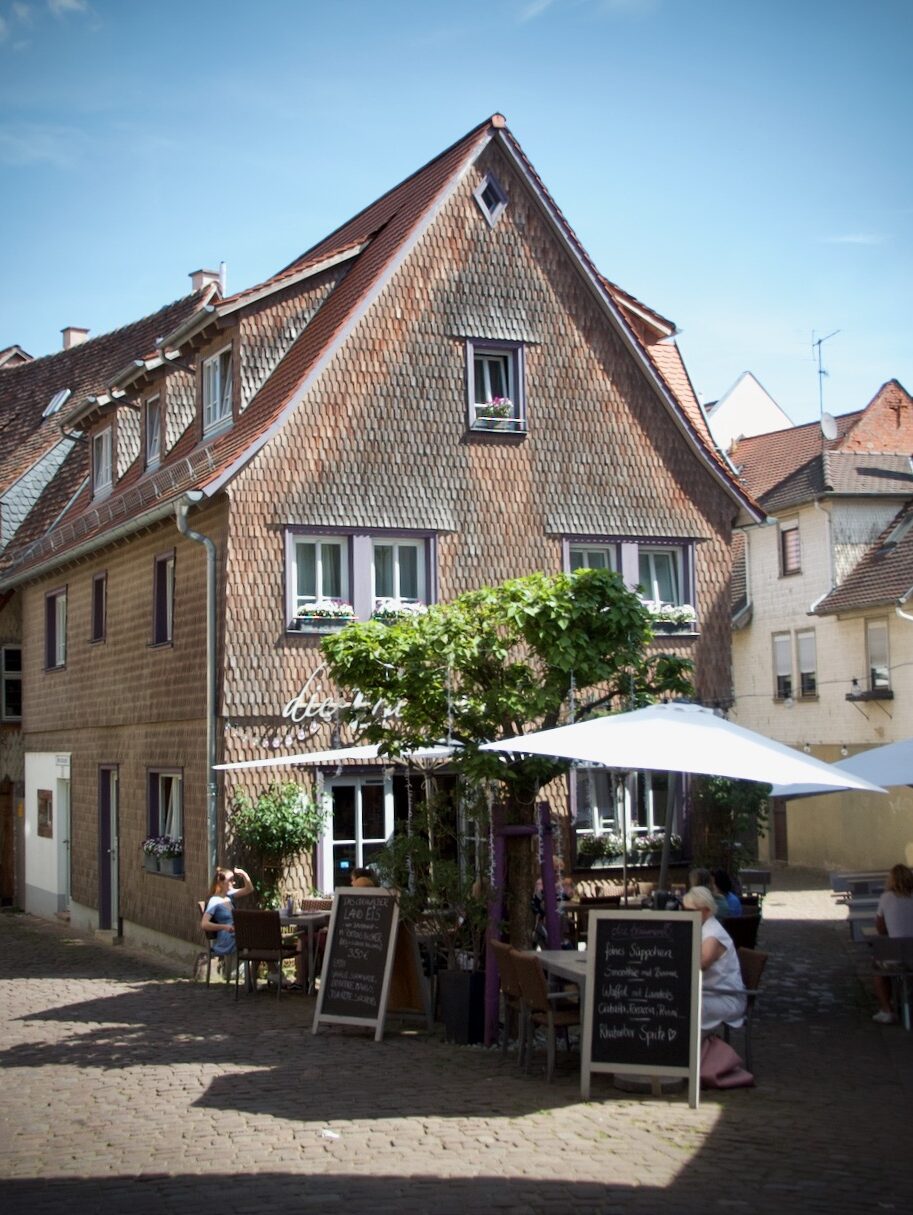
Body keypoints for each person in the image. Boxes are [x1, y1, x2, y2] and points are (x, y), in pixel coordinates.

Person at [682, 885, 747, 1036]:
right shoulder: (701, 928)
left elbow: (701, 964)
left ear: (706, 910)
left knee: (684, 1008)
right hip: (708, 993)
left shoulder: (713, 934)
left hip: (724, 997)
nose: (686, 915)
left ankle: (695, 1047)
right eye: (684, 910)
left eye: (691, 911)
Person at [872, 863, 913, 1023]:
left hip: (897, 954)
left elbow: (880, 928)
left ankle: (887, 1010)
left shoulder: (887, 897)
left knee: (878, 969)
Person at [201, 865, 254, 977]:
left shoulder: (229, 896)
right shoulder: (215, 901)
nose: (233, 883)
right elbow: (204, 924)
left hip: (237, 933)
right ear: (221, 883)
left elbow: (249, 889)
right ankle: (247, 975)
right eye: (230, 880)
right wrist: (224, 927)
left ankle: (271, 973)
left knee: (263, 939)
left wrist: (244, 874)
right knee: (257, 941)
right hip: (227, 936)